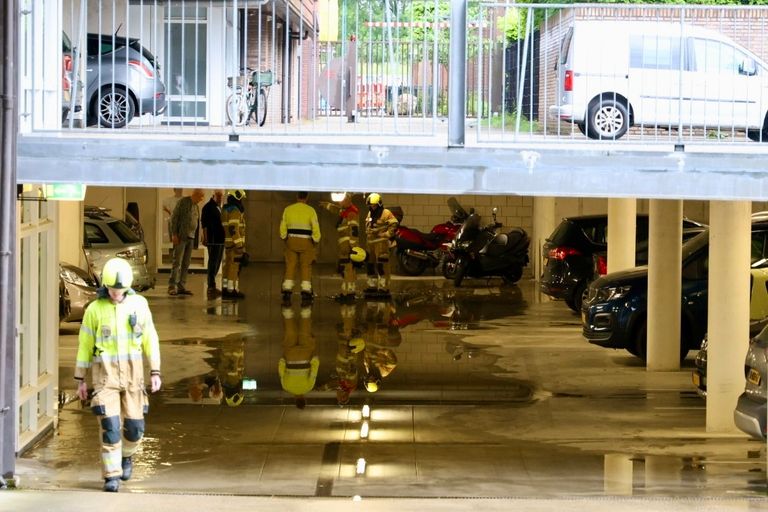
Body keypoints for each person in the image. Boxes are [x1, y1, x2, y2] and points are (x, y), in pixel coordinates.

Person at [74, 257, 161, 492]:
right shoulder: (94, 310)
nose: (116, 293)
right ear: (106, 286)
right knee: (110, 427)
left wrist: (155, 371)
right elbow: (85, 344)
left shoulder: (139, 305)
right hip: (105, 377)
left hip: (134, 377)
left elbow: (150, 338)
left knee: (135, 429)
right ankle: (111, 476)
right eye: (112, 289)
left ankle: (127, 456)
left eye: (120, 290)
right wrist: (80, 378)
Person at [279, 192, 321, 304]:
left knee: (290, 265)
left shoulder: (288, 209)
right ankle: (306, 290)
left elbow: (283, 226)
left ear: (297, 197)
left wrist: (285, 238)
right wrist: (315, 240)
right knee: (305, 266)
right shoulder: (311, 210)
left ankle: (287, 290)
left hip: (291, 241)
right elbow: (315, 227)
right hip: (306, 241)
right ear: (307, 197)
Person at [319, 193, 361, 301]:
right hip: (344, 245)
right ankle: (346, 292)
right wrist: (327, 205)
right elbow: (337, 210)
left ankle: (349, 293)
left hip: (348, 245)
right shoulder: (345, 211)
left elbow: (354, 230)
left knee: (348, 269)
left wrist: (353, 247)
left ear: (347, 199)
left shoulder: (351, 212)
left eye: (341, 200)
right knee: (344, 269)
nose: (339, 203)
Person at [279, 303, 319, 409]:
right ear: (295, 400)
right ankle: (287, 313)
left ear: (304, 399)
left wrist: (315, 360)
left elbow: (313, 373)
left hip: (305, 357)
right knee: (289, 335)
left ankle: (305, 312)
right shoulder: (286, 387)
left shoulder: (308, 387)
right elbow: (281, 373)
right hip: (290, 357)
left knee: (305, 335)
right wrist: (282, 361)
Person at [168, 188, 205, 296]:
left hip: (191, 238)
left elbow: (196, 222)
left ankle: (181, 286)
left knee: (186, 263)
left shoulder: (196, 206)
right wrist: (174, 234)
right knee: (177, 262)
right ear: (196, 195)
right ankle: (172, 286)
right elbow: (174, 218)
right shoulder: (183, 202)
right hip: (181, 236)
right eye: (201, 196)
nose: (202, 199)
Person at [364, 193, 399, 298]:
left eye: (374, 205)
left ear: (379, 204)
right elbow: (368, 225)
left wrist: (386, 234)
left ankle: (384, 288)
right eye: (370, 205)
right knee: (370, 265)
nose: (372, 207)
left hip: (381, 243)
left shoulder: (386, 212)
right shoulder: (370, 213)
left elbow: (394, 224)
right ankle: (372, 286)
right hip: (371, 244)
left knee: (382, 266)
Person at [221, 189, 247, 299]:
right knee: (234, 266)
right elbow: (233, 228)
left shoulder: (225, 209)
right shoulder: (235, 210)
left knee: (227, 266)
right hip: (234, 245)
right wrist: (239, 244)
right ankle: (231, 290)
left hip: (227, 243)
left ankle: (225, 288)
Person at [201, 189, 225, 299]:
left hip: (220, 239)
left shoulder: (219, 207)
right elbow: (204, 224)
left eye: (221, 196)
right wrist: (205, 237)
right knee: (213, 262)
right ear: (214, 195)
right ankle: (211, 286)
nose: (220, 198)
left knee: (217, 262)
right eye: (218, 196)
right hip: (213, 239)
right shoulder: (208, 207)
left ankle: (212, 285)